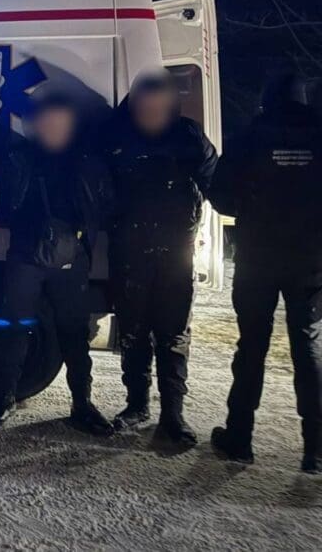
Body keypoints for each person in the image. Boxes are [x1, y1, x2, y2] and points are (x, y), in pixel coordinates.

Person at [0, 91, 114, 434]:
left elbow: (102, 204)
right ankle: (4, 398)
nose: (53, 127)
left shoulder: (85, 159)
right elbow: (5, 199)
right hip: (25, 255)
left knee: (73, 333)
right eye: (47, 121)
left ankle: (82, 403)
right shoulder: (21, 157)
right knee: (14, 327)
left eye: (60, 121)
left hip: (71, 258)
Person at [209, 74, 322, 473]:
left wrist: (251, 208)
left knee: (252, 347)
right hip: (310, 260)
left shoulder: (250, 136)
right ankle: (315, 449)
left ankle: (239, 439)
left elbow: (219, 194)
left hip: (258, 257)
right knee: (308, 347)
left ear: (267, 99)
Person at [103, 69, 217, 446]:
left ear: (170, 106)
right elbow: (95, 186)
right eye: (144, 107)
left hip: (175, 254)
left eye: (157, 107)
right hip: (129, 252)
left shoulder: (188, 137)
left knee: (173, 335)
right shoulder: (115, 135)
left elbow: (217, 184)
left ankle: (173, 415)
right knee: (133, 334)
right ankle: (136, 405)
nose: (150, 113)